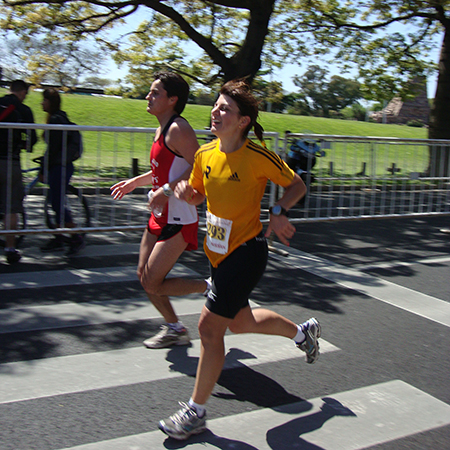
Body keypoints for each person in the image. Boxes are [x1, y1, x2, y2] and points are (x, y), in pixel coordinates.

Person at [159, 79, 322, 440]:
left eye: (225, 109)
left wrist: (279, 209)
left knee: (208, 328)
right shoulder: (204, 154)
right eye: (216, 107)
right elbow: (200, 196)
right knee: (241, 322)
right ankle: (302, 333)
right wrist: (186, 192)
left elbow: (297, 185)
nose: (216, 113)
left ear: (243, 121)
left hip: (246, 253)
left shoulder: (257, 156)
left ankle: (195, 412)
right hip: (216, 255)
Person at [110, 72, 209, 349]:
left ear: (172, 99)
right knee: (144, 276)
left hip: (180, 216)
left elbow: (198, 167)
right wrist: (135, 182)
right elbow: (163, 171)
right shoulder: (162, 129)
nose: (148, 96)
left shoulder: (179, 128)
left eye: (155, 93)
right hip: (159, 216)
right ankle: (175, 328)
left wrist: (166, 191)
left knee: (153, 282)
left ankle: (209, 286)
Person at [40, 88, 85, 256]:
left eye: (44, 100)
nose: (42, 103)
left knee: (58, 204)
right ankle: (58, 238)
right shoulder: (59, 118)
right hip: (61, 165)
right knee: (55, 202)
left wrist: (43, 168)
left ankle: (76, 237)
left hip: (59, 167)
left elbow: (53, 149)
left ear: (50, 102)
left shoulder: (55, 119)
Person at [0, 80, 37, 264]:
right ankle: (10, 248)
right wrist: (24, 145)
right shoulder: (23, 110)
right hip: (10, 162)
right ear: (22, 92)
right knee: (11, 207)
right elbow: (32, 139)